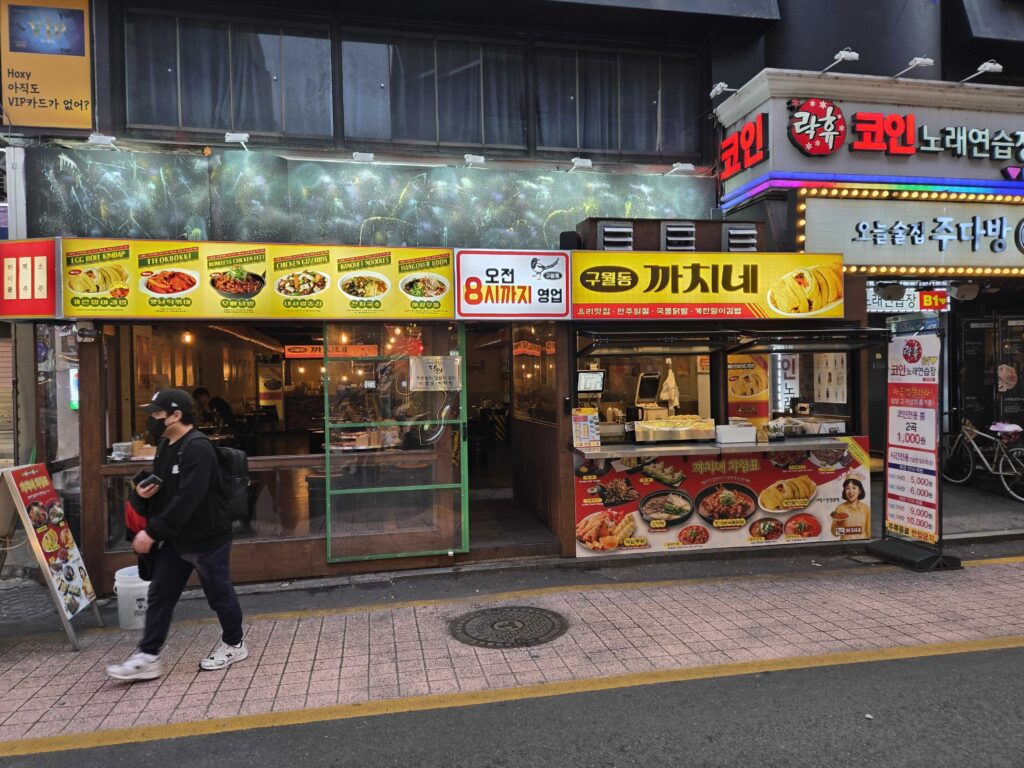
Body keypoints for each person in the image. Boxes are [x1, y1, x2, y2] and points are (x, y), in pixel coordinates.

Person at [106, 389, 246, 682]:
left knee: (218, 593)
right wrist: (143, 496)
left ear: (176, 416)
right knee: (160, 594)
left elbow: (188, 498)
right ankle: (148, 655)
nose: (152, 419)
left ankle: (235, 644)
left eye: (157, 414)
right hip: (176, 538)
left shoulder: (198, 448)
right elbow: (168, 491)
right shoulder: (166, 444)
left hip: (207, 537)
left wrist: (152, 532)